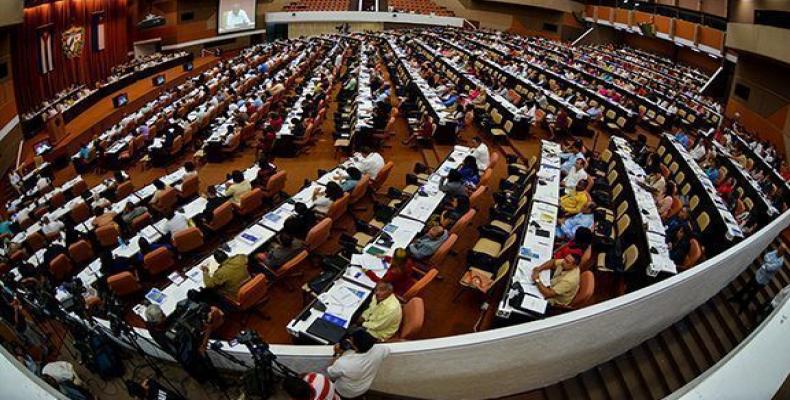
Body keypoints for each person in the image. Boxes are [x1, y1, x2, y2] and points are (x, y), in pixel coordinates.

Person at [327, 329, 390, 398]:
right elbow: (386, 349)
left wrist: (337, 354)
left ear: (356, 347)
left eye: (351, 340)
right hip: (364, 387)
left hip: (345, 391)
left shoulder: (344, 363)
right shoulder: (381, 350)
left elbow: (331, 373)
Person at [729, 245, 785, 313]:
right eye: (778, 248)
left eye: (780, 249)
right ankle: (736, 298)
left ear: (782, 252)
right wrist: (768, 262)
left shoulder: (780, 262)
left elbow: (769, 268)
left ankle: (743, 306)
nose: (778, 250)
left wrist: (767, 262)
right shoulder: (776, 252)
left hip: (762, 280)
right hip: (758, 273)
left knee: (751, 294)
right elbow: (765, 256)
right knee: (746, 287)